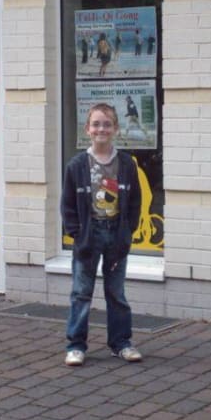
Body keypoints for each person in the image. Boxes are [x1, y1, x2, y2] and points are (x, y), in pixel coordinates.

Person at [61, 103, 142, 366]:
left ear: (116, 129)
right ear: (87, 129)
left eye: (107, 124)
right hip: (88, 234)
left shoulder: (127, 164)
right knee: (81, 292)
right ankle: (76, 345)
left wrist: (127, 231)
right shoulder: (76, 165)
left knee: (116, 292)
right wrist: (76, 233)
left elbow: (135, 203)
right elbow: (68, 204)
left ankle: (121, 343)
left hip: (116, 234)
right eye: (96, 124)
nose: (101, 129)